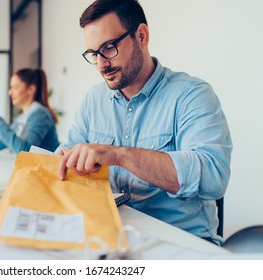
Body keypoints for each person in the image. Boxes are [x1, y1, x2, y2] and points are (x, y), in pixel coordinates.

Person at [57, 0, 232, 245]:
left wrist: (119, 155)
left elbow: (213, 177)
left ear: (141, 35)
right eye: (93, 54)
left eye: (108, 48)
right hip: (112, 238)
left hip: (182, 243)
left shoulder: (192, 95)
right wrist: (65, 160)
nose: (101, 64)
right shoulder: (93, 100)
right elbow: (64, 155)